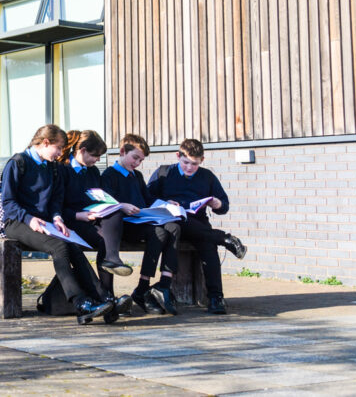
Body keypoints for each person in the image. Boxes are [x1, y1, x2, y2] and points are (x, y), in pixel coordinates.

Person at [0, 124, 115, 325]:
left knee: (73, 246)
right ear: (45, 143)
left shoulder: (52, 167)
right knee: (59, 246)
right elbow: (8, 203)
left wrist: (57, 218)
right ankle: (80, 302)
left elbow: (55, 200)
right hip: (17, 222)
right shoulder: (17, 163)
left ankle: (103, 297)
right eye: (59, 148)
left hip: (45, 222)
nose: (61, 153)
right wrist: (29, 219)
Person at [147, 138, 247, 314]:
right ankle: (224, 238)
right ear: (178, 156)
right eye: (185, 162)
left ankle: (216, 298)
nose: (189, 167)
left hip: (198, 225)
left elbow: (224, 206)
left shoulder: (207, 176)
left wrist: (216, 203)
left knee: (208, 245)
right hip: (171, 224)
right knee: (184, 222)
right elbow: (146, 199)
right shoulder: (164, 173)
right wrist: (164, 202)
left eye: (194, 164)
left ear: (202, 160)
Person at [99, 134, 179, 315]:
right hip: (123, 226)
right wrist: (123, 207)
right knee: (159, 233)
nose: (137, 163)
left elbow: (148, 198)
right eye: (135, 158)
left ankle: (150, 286)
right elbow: (107, 203)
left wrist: (165, 204)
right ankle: (142, 289)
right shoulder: (109, 175)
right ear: (122, 152)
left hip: (141, 221)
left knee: (173, 227)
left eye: (141, 160)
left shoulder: (137, 175)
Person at [59, 130, 137, 314]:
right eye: (95, 156)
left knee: (115, 217)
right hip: (71, 220)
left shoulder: (93, 171)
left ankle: (112, 261)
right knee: (104, 242)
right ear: (83, 150)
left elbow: (98, 196)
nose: (97, 161)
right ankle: (108, 296)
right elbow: (54, 205)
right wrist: (78, 215)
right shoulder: (63, 170)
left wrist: (108, 205)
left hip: (92, 217)